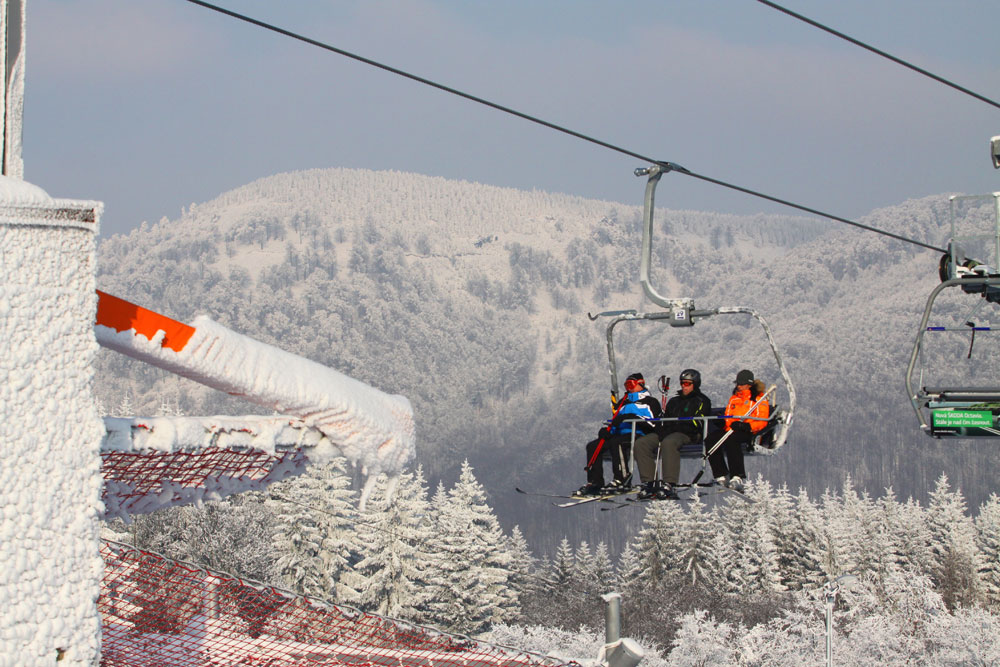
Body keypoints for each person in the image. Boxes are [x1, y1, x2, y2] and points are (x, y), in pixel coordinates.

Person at [575, 372, 661, 497]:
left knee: (618, 443)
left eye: (631, 384)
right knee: (593, 446)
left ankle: (622, 478)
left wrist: (632, 417)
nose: (628, 388)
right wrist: (607, 431)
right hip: (621, 433)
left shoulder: (650, 402)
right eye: (626, 385)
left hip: (639, 434)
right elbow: (616, 420)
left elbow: (653, 424)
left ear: (640, 384)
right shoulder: (622, 403)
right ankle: (595, 482)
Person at [634, 368, 711, 500]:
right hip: (669, 432)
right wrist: (662, 428)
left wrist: (674, 427)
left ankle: (669, 483)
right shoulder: (674, 401)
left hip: (689, 434)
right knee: (642, 443)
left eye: (687, 383)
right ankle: (649, 482)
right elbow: (664, 420)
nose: (684, 386)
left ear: (695, 384)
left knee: (668, 443)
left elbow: (698, 422)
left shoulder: (701, 401)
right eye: (682, 383)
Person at [707, 369, 770, 492]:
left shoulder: (758, 399)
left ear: (749, 384)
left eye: (741, 384)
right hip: (733, 428)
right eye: (737, 384)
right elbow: (729, 415)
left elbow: (762, 420)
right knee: (711, 440)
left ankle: (737, 475)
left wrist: (747, 426)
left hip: (748, 431)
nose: (739, 386)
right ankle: (721, 474)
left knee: (732, 441)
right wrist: (725, 422)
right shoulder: (734, 398)